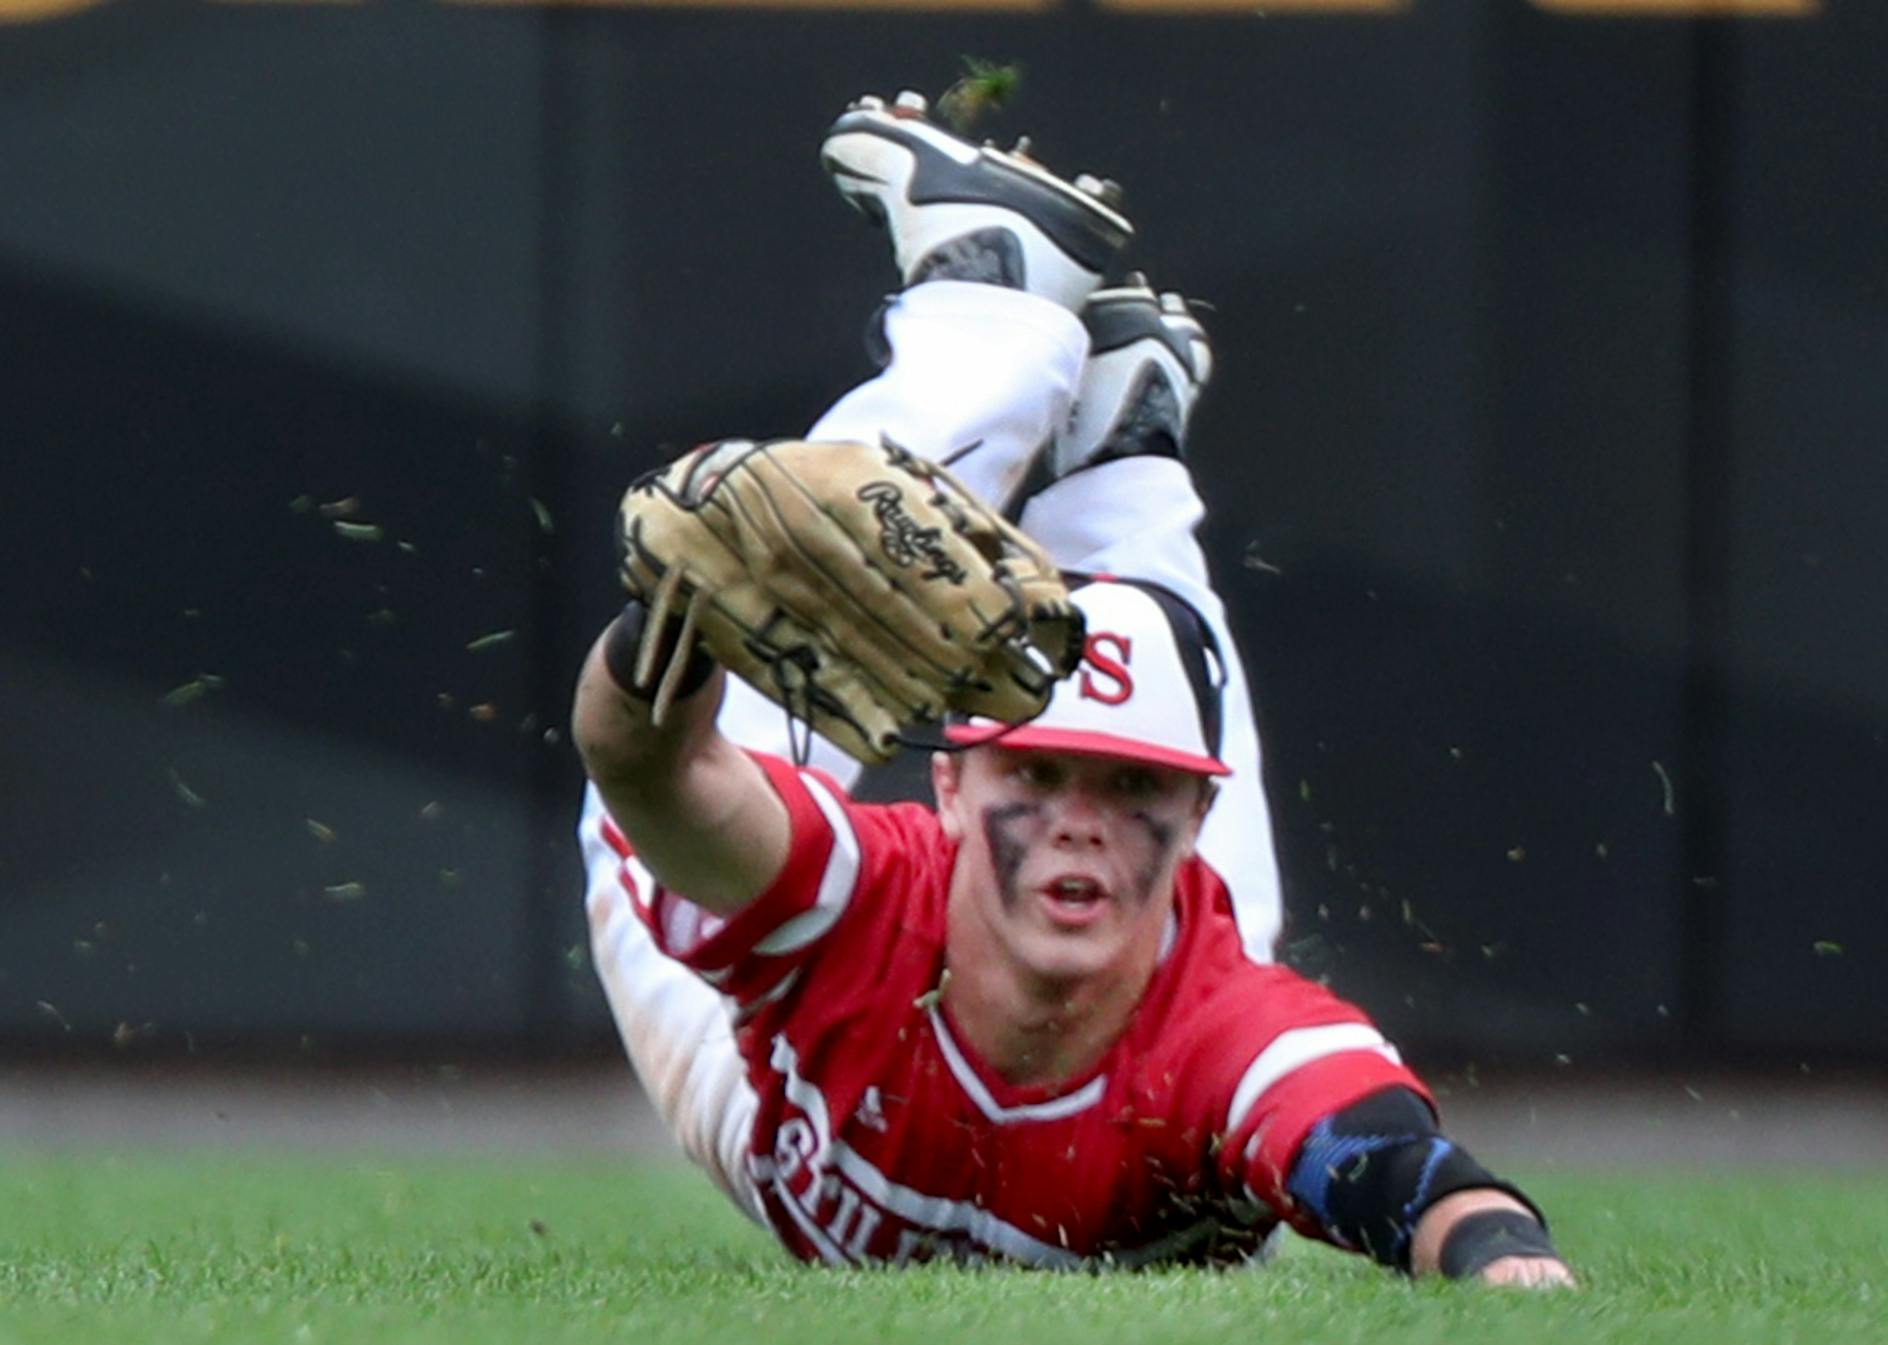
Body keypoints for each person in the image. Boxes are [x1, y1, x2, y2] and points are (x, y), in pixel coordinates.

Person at [573, 89, 1574, 1286]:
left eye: (1132, 785)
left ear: (1200, 817)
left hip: (1152, 1029)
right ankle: (992, 315)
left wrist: (1508, 1264)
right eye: (1036, 772)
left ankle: (1119, 452)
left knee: (1219, 963)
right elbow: (645, 761)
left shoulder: (1227, 1027)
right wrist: (674, 623)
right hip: (765, 1062)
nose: (1077, 820)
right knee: (639, 851)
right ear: (947, 782)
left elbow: (1389, 1165)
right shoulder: (855, 904)